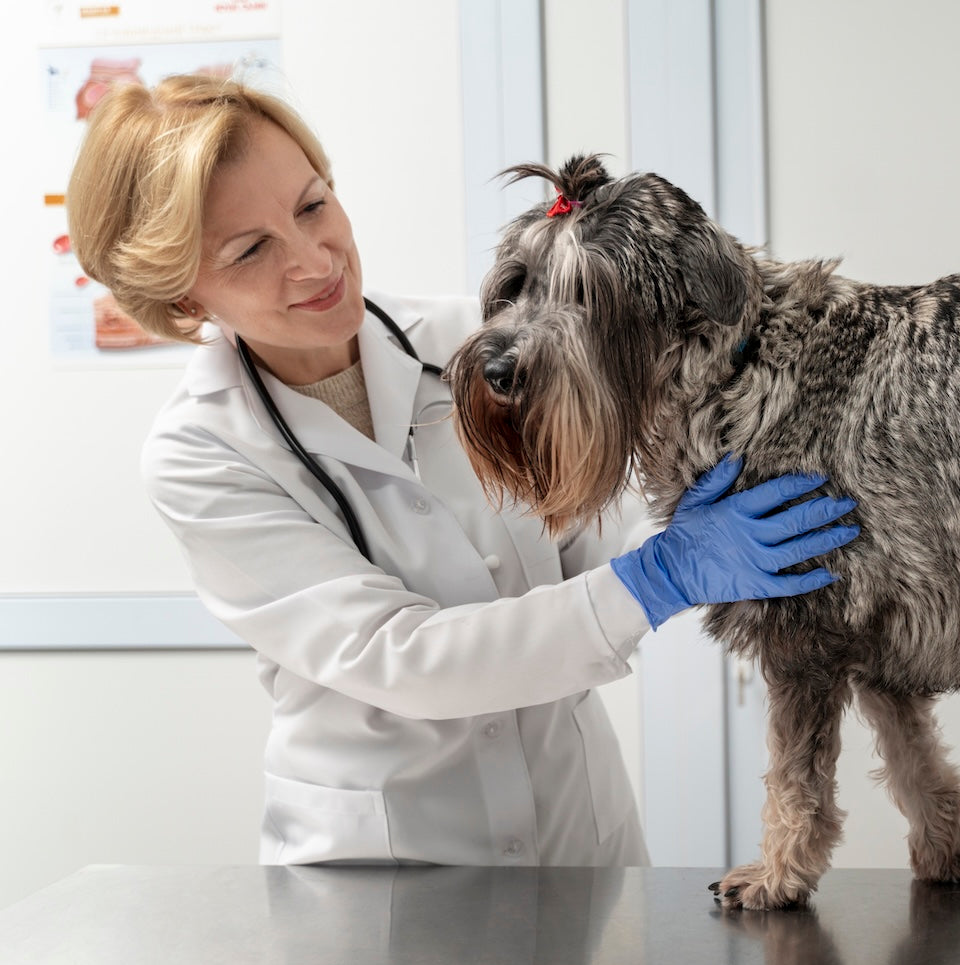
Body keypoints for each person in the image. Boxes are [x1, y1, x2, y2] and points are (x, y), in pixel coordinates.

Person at [66, 74, 859, 867]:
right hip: (387, 870)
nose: (314, 260)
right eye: (250, 250)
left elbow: (592, 539)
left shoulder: (477, 340)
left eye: (313, 205)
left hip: (575, 832)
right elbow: (398, 656)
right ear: (181, 301)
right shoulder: (201, 452)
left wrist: (695, 510)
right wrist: (663, 575)